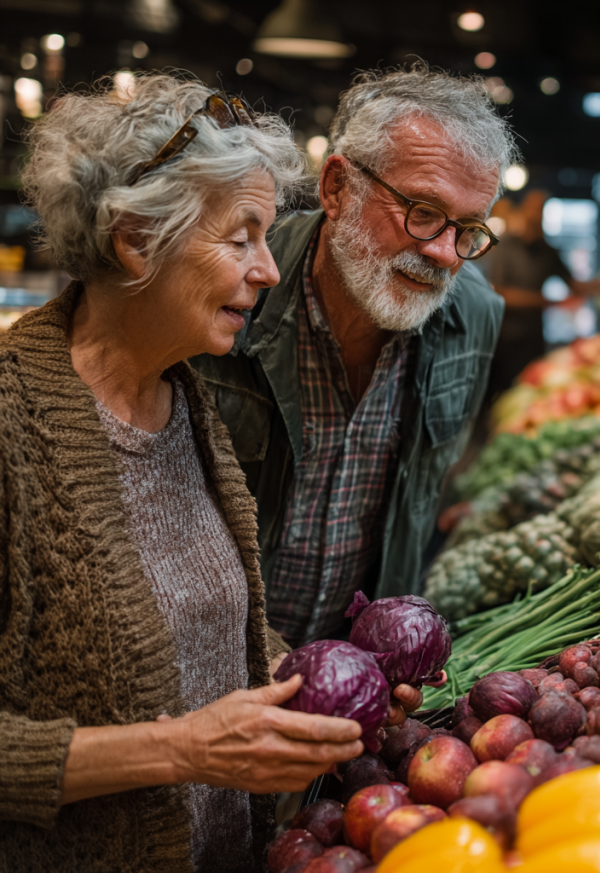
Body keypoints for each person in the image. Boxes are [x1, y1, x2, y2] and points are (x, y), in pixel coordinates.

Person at [0, 73, 417, 873]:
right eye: (242, 236)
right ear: (136, 240)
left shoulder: (186, 403)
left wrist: (330, 686)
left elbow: (207, 633)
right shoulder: (14, 422)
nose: (267, 269)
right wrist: (177, 749)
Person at [193, 64, 518, 647]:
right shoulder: (232, 295)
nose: (446, 254)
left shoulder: (476, 316)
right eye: (422, 212)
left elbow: (420, 499)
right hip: (213, 673)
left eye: (469, 229)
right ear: (337, 188)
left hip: (358, 684)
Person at [485, 190, 599, 395]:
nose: (536, 215)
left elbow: (575, 285)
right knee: (500, 395)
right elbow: (501, 294)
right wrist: (550, 303)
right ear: (523, 210)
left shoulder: (548, 251)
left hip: (534, 338)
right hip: (503, 338)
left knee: (530, 391)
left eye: (540, 210)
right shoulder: (506, 246)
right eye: (533, 209)